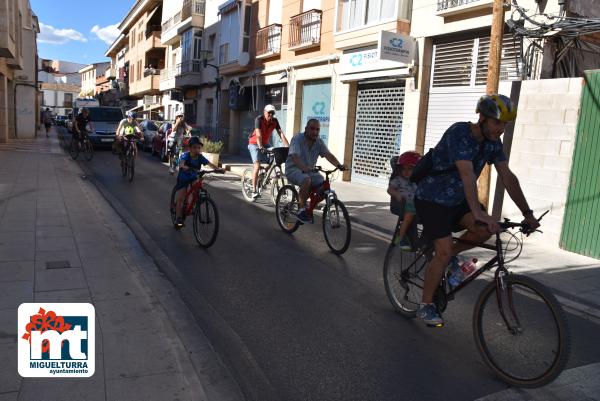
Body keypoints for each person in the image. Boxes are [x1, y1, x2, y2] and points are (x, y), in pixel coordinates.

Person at [414, 94, 540, 327]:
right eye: (497, 122)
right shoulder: (459, 133)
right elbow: (467, 174)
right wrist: (480, 212)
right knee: (442, 252)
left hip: (458, 201)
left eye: (505, 125)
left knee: (484, 231)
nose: (500, 129)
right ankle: (425, 305)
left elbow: (508, 177)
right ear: (482, 118)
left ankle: (450, 257)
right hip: (432, 199)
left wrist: (528, 213)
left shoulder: (493, 143)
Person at [285, 119, 346, 224]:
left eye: (317, 129)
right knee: (306, 179)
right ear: (306, 129)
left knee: (323, 186)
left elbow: (328, 155)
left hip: (309, 171)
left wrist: (339, 165)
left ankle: (307, 205)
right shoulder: (297, 139)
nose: (315, 132)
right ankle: (301, 211)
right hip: (293, 169)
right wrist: (304, 168)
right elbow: (295, 156)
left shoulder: (319, 142)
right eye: (312, 129)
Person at [174, 136, 224, 227]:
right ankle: (178, 218)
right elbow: (181, 164)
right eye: (194, 147)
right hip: (183, 177)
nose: (197, 149)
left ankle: (194, 205)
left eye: (198, 147)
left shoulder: (200, 157)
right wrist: (184, 167)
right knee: (181, 197)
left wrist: (218, 169)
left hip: (193, 176)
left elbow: (209, 164)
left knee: (198, 188)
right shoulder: (186, 155)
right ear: (190, 148)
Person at [248, 105, 289, 199]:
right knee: (257, 166)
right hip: (254, 143)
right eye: (269, 112)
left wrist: (288, 147)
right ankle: (254, 191)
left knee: (274, 159)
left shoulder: (274, 121)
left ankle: (263, 174)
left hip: (265, 143)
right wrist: (260, 146)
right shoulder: (259, 119)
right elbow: (258, 135)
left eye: (273, 113)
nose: (271, 114)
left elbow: (281, 134)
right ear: (264, 112)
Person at [388, 151, 421, 251]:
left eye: (410, 169)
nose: (406, 172)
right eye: (404, 169)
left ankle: (423, 242)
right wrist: (396, 194)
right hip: (405, 204)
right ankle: (400, 237)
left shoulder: (417, 180)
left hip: (418, 205)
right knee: (409, 215)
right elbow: (390, 189)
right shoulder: (398, 179)